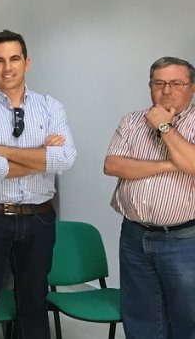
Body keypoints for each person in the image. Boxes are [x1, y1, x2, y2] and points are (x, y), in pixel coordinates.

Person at [0, 30, 76, 339]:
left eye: (14, 59)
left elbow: (65, 160)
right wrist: (41, 156)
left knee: (34, 302)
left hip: (38, 216)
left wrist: (5, 151)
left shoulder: (51, 106)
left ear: (27, 62)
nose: (7, 67)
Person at [103, 56, 195, 339]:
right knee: (141, 317)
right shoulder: (131, 121)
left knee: (188, 317)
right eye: (159, 83)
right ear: (150, 86)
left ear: (192, 88)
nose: (167, 90)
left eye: (176, 83)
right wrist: (170, 164)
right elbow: (113, 166)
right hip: (134, 236)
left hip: (183, 240)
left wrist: (164, 127)